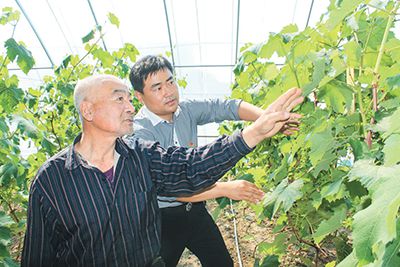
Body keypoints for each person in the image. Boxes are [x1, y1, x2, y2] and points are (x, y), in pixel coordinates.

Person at [21, 74, 303, 267]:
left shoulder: (142, 157)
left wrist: (253, 134)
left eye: (130, 100)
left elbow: (192, 166)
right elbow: (37, 257)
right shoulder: (51, 180)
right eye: (120, 99)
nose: (131, 107)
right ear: (88, 111)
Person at [129, 55, 301, 266]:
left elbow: (225, 107)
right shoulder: (139, 135)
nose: (169, 91)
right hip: (163, 219)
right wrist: (224, 189)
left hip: (196, 210)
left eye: (170, 81)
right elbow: (172, 189)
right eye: (157, 87)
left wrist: (265, 117)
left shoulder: (186, 110)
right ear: (139, 96)